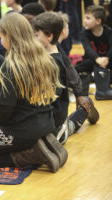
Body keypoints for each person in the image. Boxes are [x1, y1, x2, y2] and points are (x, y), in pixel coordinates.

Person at [0, 13, 67, 173]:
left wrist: (1, 128)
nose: (0, 41)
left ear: (9, 36)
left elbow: (6, 107)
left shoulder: (11, 65)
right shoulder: (46, 58)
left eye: (1, 36)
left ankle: (34, 154)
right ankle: (38, 143)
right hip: (47, 123)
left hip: (22, 129)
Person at [32, 12, 99, 144]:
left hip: (55, 120)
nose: (32, 39)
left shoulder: (56, 54)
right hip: (46, 115)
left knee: (68, 127)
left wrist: (79, 94)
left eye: (35, 35)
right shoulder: (40, 50)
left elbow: (71, 72)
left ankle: (85, 108)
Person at [75, 5, 112, 100]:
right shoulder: (84, 33)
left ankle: (96, 76)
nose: (84, 21)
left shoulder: (108, 32)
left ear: (98, 21)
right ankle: (93, 76)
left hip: (107, 62)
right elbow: (88, 49)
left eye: (88, 18)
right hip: (92, 61)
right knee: (79, 68)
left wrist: (107, 58)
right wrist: (97, 59)